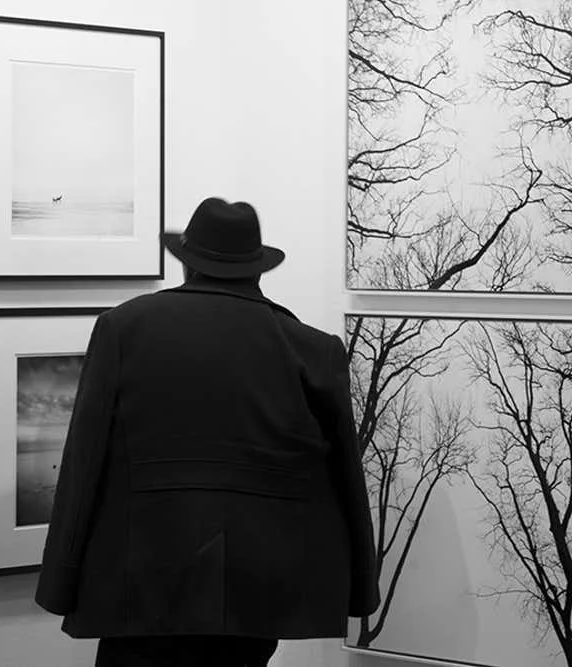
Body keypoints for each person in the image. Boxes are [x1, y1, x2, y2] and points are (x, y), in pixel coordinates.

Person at [34, 198, 380, 667]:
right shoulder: (314, 349)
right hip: (257, 589)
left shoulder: (124, 329)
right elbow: (345, 481)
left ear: (189, 265)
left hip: (144, 579)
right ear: (257, 269)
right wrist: (360, 587)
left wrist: (61, 582)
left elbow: (83, 463)